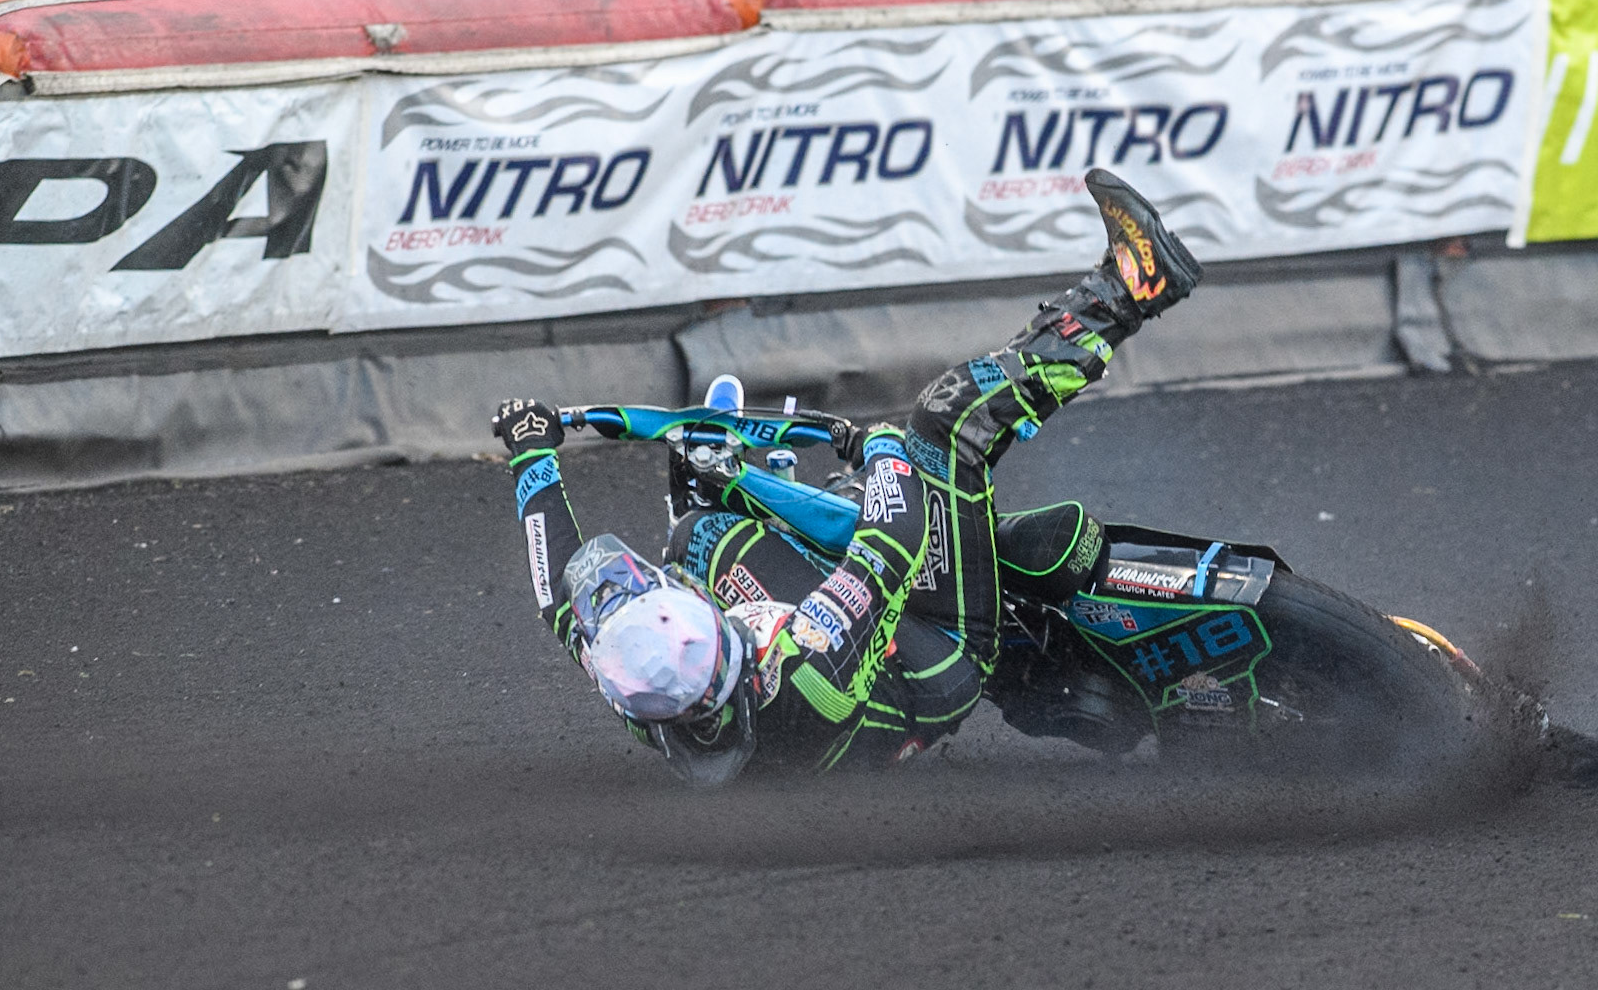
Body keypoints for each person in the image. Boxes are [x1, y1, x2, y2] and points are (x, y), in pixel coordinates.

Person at [497, 168, 1202, 782]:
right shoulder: (803, 661)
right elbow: (890, 542)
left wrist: (532, 457)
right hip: (937, 659)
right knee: (943, 421)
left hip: (847, 706)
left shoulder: (633, 680)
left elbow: (555, 594)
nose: (652, 587)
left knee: (699, 537)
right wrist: (882, 451)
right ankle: (1131, 288)